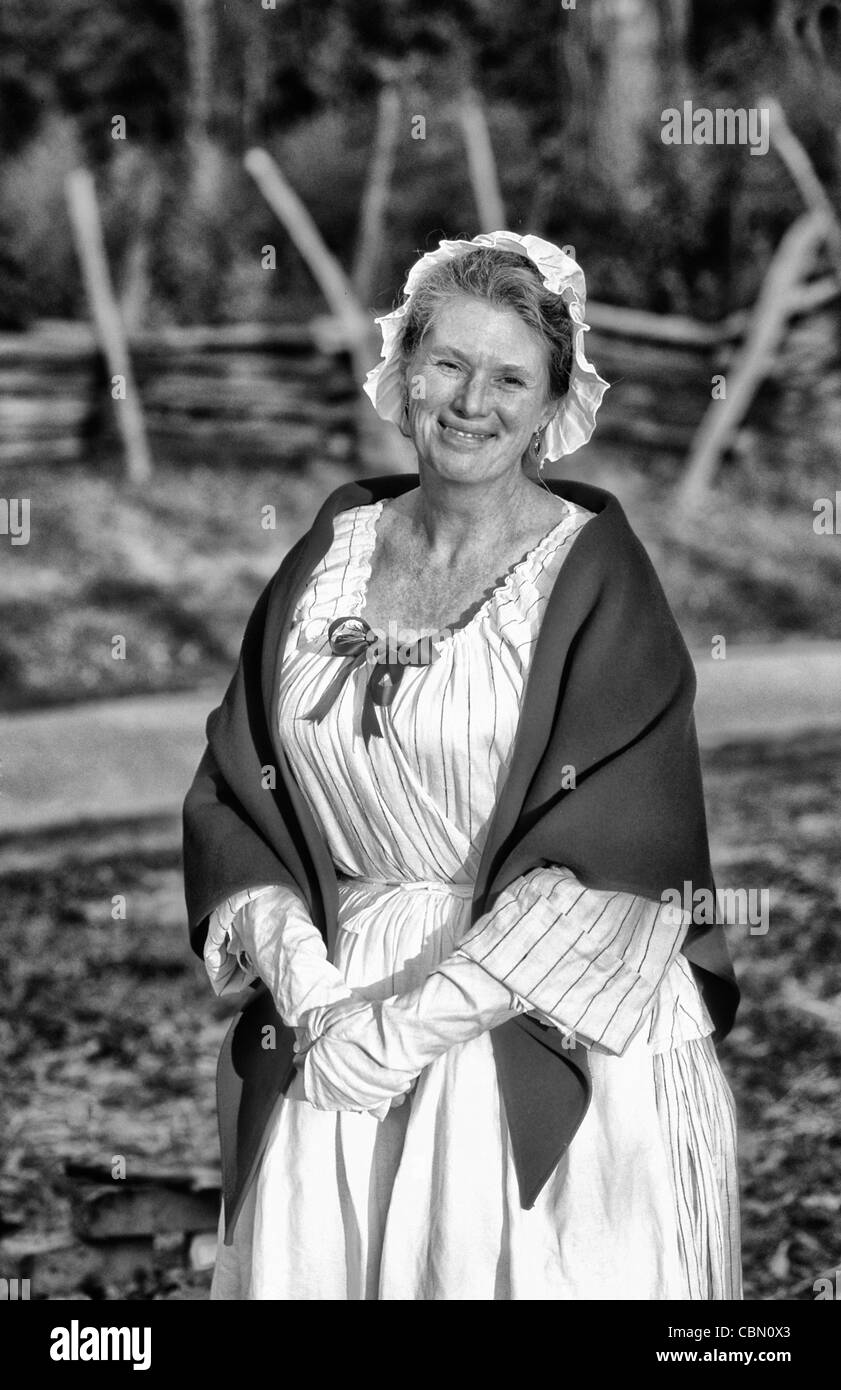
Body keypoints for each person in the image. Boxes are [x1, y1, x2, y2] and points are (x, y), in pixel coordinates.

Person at [183, 231, 741, 1301]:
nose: (470, 400)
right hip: (335, 1012)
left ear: (551, 407)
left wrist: (404, 1033)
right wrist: (312, 991)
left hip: (521, 1013)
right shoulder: (333, 549)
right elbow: (235, 787)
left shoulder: (594, 581)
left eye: (510, 376)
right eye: (446, 361)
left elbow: (613, 864)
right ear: (401, 371)